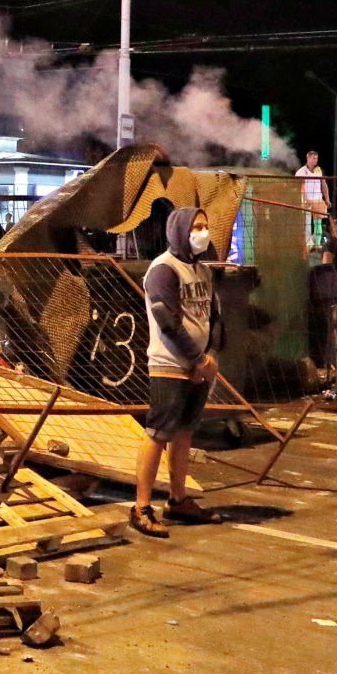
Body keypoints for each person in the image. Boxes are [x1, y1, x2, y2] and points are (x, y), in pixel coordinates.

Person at [131, 206, 223, 537]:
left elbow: (214, 317)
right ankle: (141, 507)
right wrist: (197, 360)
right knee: (158, 433)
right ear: (180, 231)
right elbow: (167, 322)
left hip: (199, 365)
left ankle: (178, 499)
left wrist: (209, 356)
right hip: (169, 364)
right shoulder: (163, 270)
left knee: (184, 432)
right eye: (196, 227)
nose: (202, 232)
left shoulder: (203, 271)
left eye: (205, 225)